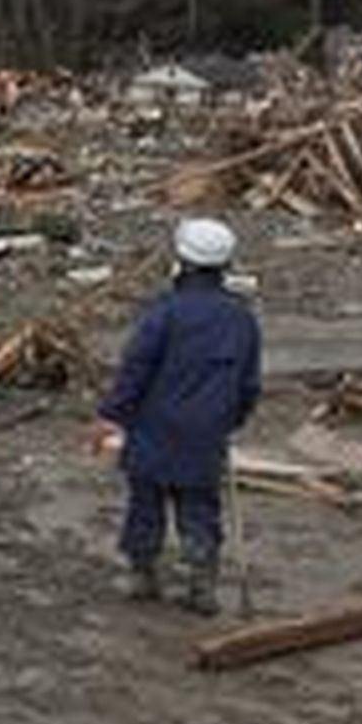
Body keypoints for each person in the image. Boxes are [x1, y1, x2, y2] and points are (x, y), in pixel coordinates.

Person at [93, 217, 262, 612]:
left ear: (182, 263)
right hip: (206, 433)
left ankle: (142, 575)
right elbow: (249, 383)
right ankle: (201, 583)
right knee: (200, 507)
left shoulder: (164, 314)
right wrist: (231, 420)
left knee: (146, 504)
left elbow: (135, 370)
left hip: (155, 428)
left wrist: (111, 415)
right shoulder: (241, 319)